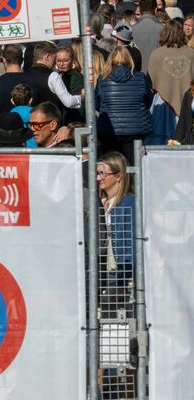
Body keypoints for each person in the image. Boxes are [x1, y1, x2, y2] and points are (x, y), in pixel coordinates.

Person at [95, 46, 153, 162]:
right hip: (135, 129)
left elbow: (96, 104)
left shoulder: (102, 79)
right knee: (135, 166)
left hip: (109, 130)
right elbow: (148, 101)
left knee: (111, 165)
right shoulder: (140, 77)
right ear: (129, 59)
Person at [97, 151, 136, 320]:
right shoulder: (98, 202)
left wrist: (125, 278)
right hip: (102, 270)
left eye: (102, 174)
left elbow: (132, 242)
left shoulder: (129, 203)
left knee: (120, 319)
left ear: (119, 176)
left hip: (119, 271)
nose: (98, 178)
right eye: (97, 173)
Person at [148, 20, 194, 144]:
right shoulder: (191, 53)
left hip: (162, 103)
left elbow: (150, 81)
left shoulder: (156, 54)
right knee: (182, 139)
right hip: (186, 102)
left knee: (160, 140)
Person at [132, 0, 164, 73]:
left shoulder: (131, 30)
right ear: (155, 10)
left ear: (140, 10)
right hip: (156, 74)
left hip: (135, 75)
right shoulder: (163, 29)